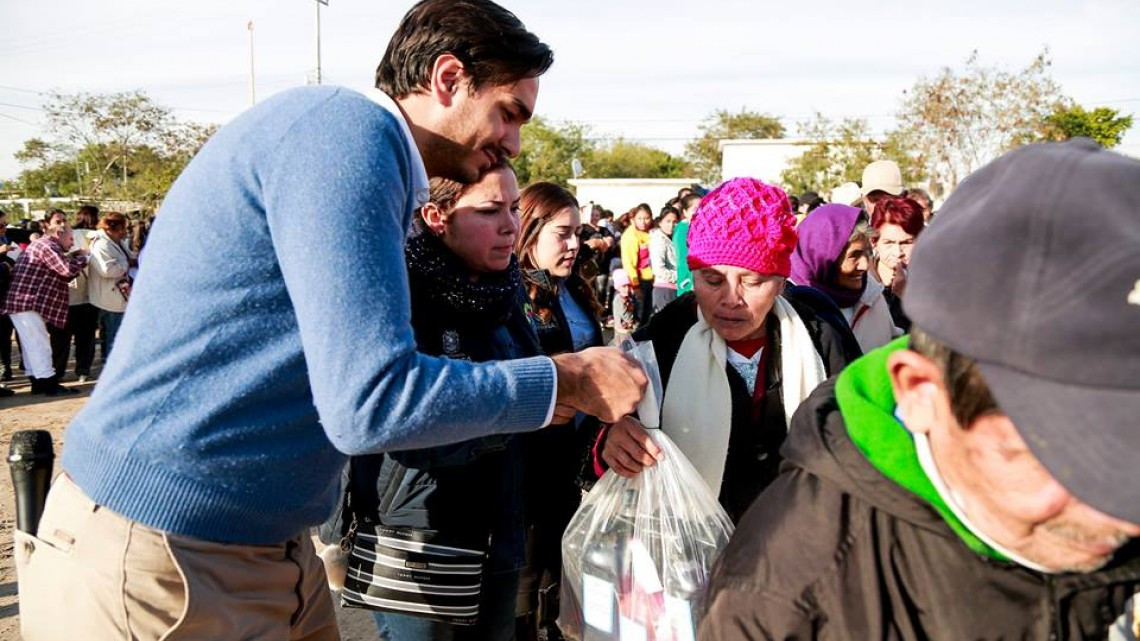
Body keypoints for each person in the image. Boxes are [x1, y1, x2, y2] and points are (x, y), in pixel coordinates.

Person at [13, 2, 646, 640]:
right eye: (509, 112)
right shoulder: (346, 135)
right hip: (164, 551)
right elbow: (371, 401)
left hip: (255, 546)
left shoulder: (366, 154)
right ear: (448, 79)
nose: (513, 141)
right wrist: (561, 380)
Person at [699, 139, 1140, 640]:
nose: (1120, 513)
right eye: (1056, 453)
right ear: (921, 394)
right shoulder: (786, 604)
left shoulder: (822, 329)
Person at [597, 178, 857, 522]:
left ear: (781, 282)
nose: (731, 299)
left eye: (751, 282)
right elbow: (596, 425)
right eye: (713, 280)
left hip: (796, 537)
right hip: (692, 547)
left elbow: (860, 432)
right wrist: (609, 441)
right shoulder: (661, 340)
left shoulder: (817, 334)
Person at [349, 163, 536, 640]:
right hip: (418, 532)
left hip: (502, 529)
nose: (511, 225)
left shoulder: (507, 293)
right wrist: (509, 409)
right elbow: (384, 418)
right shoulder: (395, 294)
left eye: (514, 208)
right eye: (491, 210)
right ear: (436, 216)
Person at [513, 181, 605, 641]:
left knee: (561, 572)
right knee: (526, 582)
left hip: (576, 460)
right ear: (529, 233)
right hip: (529, 463)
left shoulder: (574, 288)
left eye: (578, 233)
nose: (574, 245)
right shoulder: (512, 295)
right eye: (562, 234)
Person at [790, 203, 900, 353]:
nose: (864, 265)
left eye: (867, 253)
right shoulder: (791, 306)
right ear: (823, 255)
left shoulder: (872, 295)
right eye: (854, 255)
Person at [1, 210, 86, 397]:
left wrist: (73, 256)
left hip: (22, 302)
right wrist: (84, 258)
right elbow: (66, 270)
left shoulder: (45, 245)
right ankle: (49, 384)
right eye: (71, 238)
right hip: (26, 303)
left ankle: (38, 383)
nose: (72, 243)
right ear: (58, 234)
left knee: (31, 344)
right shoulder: (48, 245)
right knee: (39, 344)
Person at [49, 205, 99, 383]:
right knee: (65, 338)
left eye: (64, 220)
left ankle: (78, 370)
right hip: (66, 298)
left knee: (81, 337)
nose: (62, 224)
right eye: (58, 221)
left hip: (84, 295)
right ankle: (65, 371)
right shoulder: (47, 242)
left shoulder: (83, 235)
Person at [869, 195, 925, 332]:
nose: (898, 252)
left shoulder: (931, 281)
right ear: (874, 242)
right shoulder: (861, 282)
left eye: (906, 243)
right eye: (888, 243)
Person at [87, 212, 136, 360]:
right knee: (113, 337)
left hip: (120, 295)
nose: (125, 231)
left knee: (118, 336)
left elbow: (128, 257)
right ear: (115, 227)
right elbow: (107, 270)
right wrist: (127, 265)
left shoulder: (116, 241)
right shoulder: (101, 244)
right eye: (123, 228)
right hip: (110, 299)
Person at [620, 203, 654, 326]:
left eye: (647, 218)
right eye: (640, 218)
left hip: (652, 279)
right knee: (641, 318)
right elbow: (629, 264)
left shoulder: (651, 232)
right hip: (640, 281)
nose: (643, 222)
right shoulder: (630, 236)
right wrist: (636, 287)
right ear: (633, 219)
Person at [648, 205, 679, 312]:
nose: (671, 225)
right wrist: (679, 277)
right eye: (668, 221)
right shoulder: (659, 240)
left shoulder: (673, 238)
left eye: (674, 222)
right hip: (665, 288)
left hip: (673, 288)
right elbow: (658, 269)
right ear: (660, 222)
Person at [673, 191, 702, 295]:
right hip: (688, 282)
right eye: (695, 209)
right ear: (685, 212)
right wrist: (688, 280)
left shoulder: (698, 228)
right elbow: (683, 257)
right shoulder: (683, 230)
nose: (699, 212)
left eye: (702, 208)